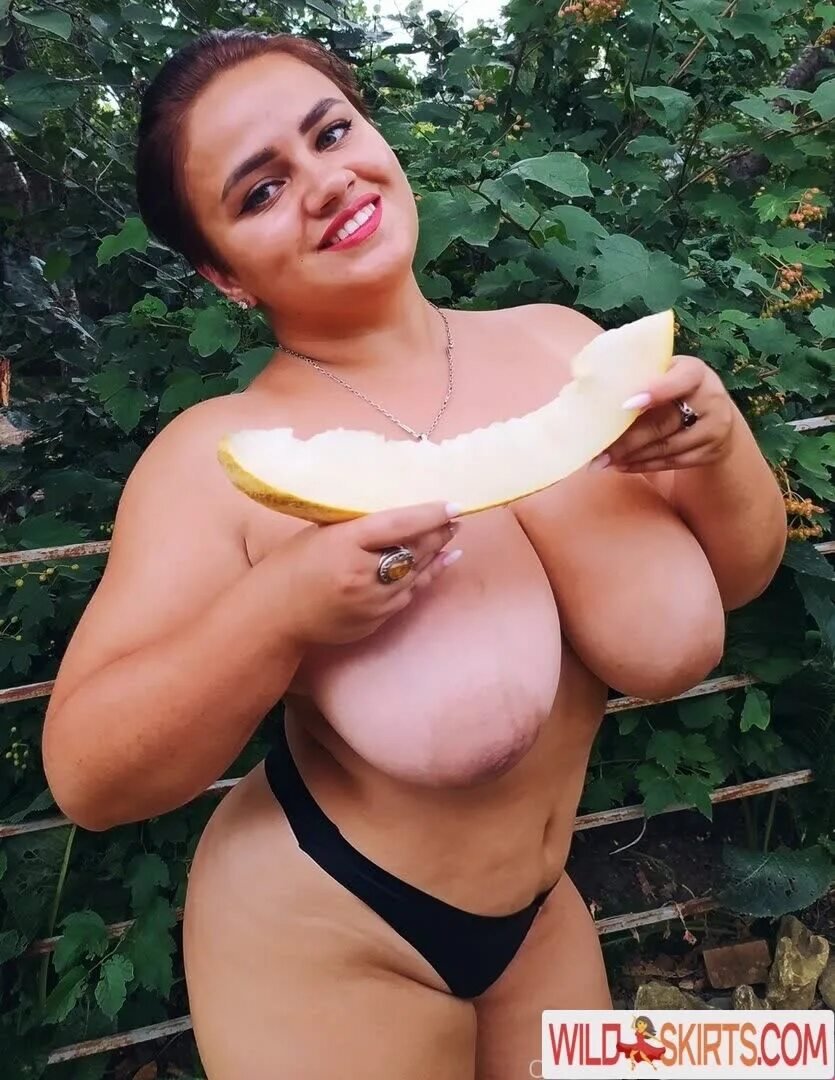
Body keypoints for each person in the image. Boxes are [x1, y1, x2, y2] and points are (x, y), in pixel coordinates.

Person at [42, 28, 787, 1079]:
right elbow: (87, 779)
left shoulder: (561, 344)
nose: (323, 183)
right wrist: (278, 611)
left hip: (539, 911)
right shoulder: (216, 460)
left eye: (330, 133)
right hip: (324, 930)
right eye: (260, 191)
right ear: (223, 275)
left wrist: (719, 449)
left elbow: (740, 578)